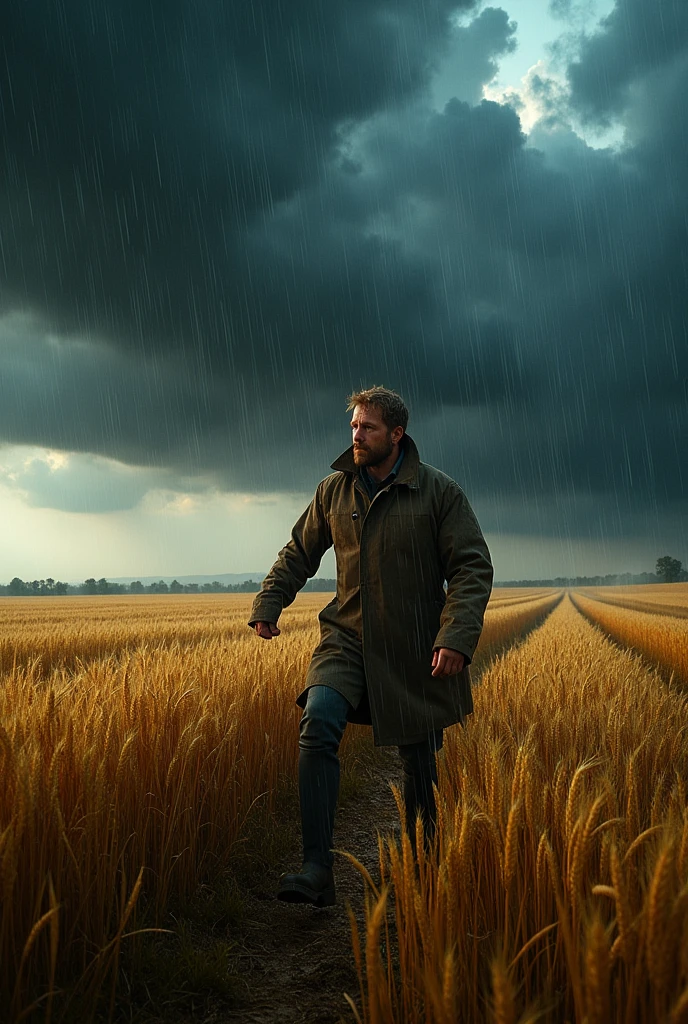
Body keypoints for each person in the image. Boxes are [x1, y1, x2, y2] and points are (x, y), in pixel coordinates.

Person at [248, 386, 493, 908]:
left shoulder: (438, 492)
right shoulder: (333, 491)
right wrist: (269, 603)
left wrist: (456, 637)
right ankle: (317, 868)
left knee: (419, 757)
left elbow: (471, 568)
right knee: (318, 721)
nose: (356, 436)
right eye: (354, 426)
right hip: (347, 638)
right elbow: (299, 552)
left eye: (368, 428)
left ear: (397, 434)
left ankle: (423, 868)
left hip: (415, 644)